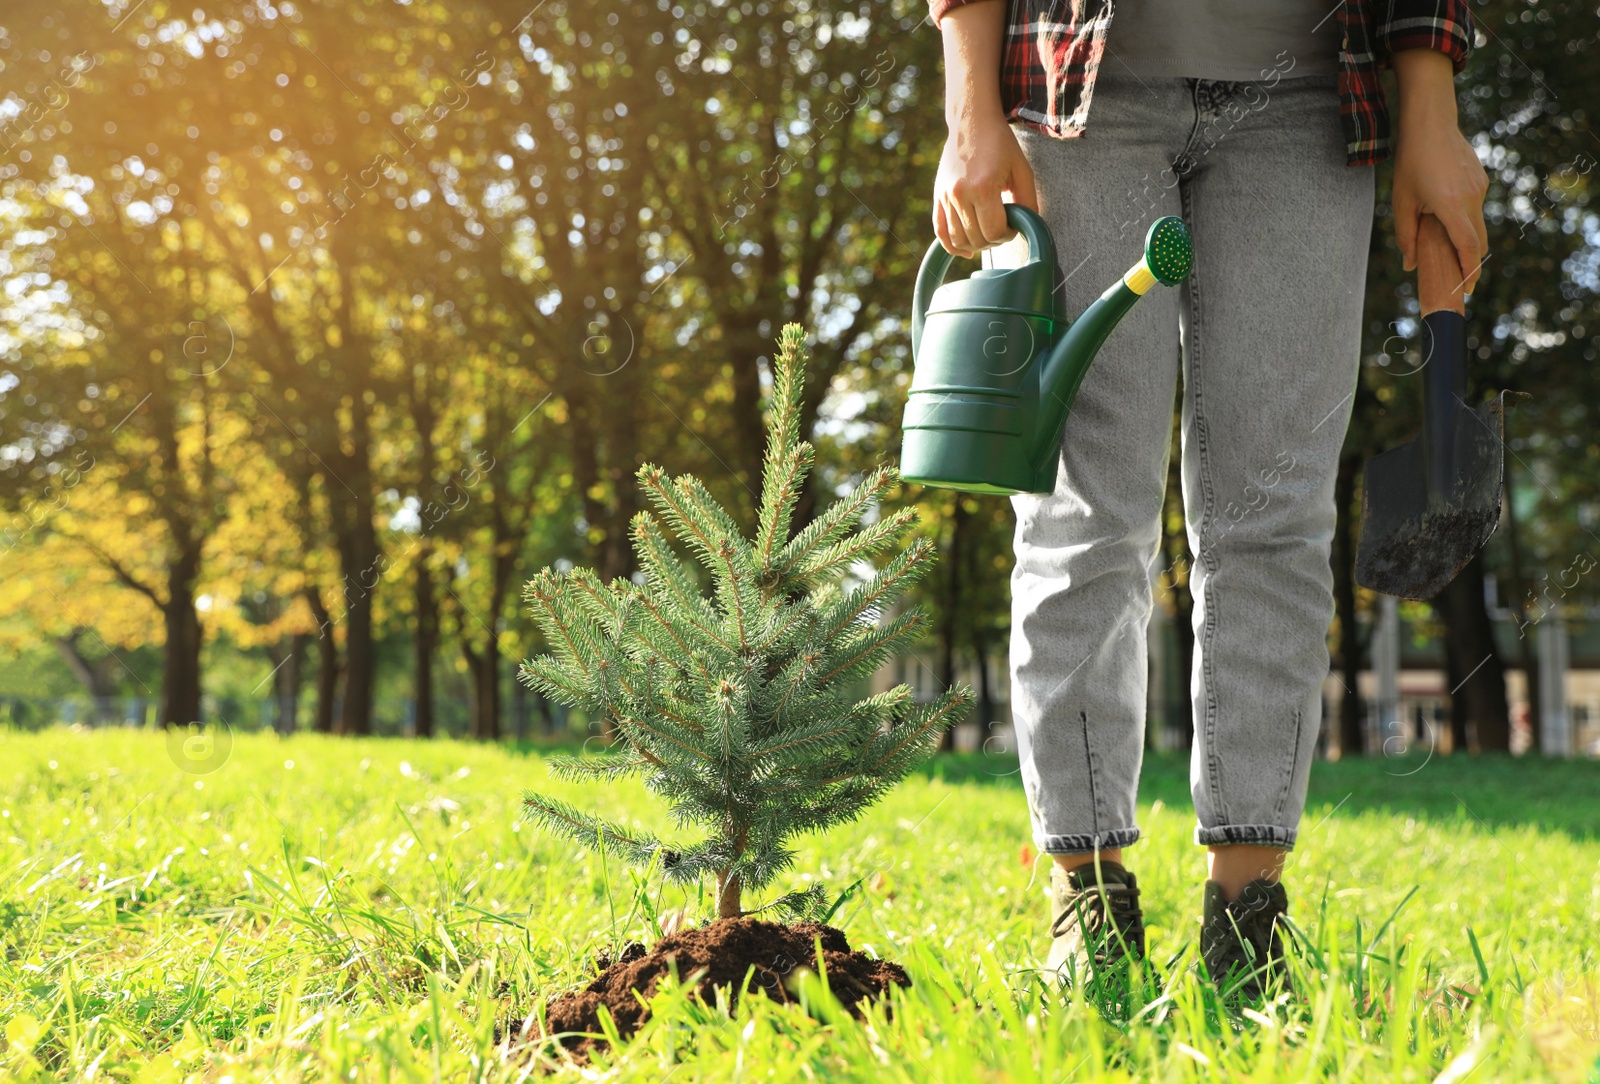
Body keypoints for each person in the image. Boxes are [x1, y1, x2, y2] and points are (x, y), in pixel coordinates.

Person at [927, 0, 1487, 994]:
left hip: (1312, 94)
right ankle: (1087, 904)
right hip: (1078, 95)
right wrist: (968, 97)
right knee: (1083, 507)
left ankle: (1246, 923)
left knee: (1273, 516)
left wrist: (1431, 102)